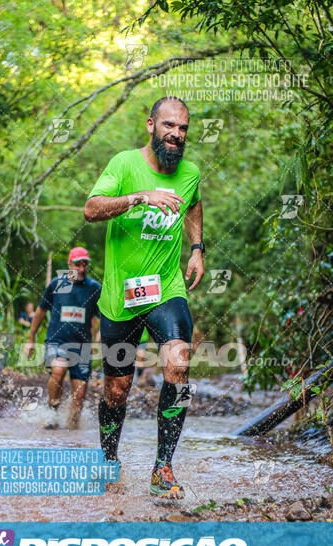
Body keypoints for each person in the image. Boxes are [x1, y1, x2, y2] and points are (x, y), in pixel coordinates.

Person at [84, 96, 205, 499]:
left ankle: (163, 467)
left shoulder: (189, 172)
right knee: (117, 390)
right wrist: (140, 197)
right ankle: (108, 460)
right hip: (121, 296)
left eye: (183, 128)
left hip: (165, 289)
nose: (176, 134)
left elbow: (193, 204)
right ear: (151, 125)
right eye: (169, 125)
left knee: (179, 361)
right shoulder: (123, 164)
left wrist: (198, 248)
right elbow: (91, 208)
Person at [24, 247, 101, 429]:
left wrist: (100, 331)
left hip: (82, 345)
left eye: (85, 264)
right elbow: (41, 311)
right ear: (69, 264)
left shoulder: (94, 288)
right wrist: (31, 338)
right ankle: (53, 410)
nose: (81, 269)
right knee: (58, 369)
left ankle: (72, 433)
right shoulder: (57, 284)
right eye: (77, 264)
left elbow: (102, 314)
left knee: (80, 392)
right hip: (57, 340)